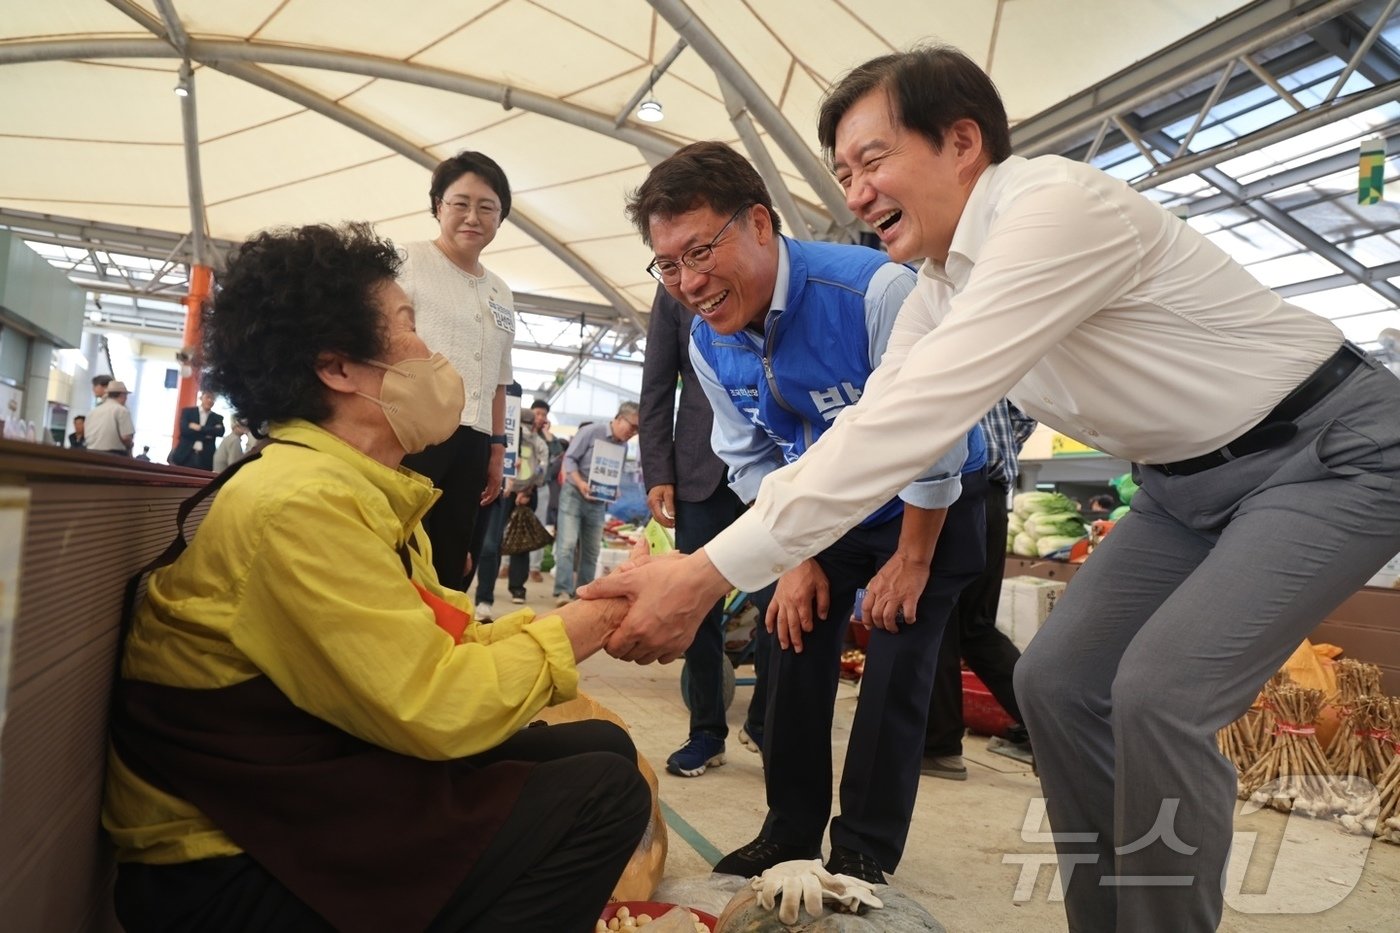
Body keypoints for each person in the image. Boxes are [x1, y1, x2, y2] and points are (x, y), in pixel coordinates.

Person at [585, 46, 1400, 932]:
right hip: (1179, 488)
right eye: (842, 172)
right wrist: (730, 562)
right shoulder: (939, 283)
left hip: (1328, 448)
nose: (855, 193)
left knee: (1160, 694)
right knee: (1056, 680)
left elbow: (916, 420)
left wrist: (704, 573)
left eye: (872, 161)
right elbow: (872, 427)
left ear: (962, 141)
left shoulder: (1052, 210)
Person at [103, 222, 649, 933]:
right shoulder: (300, 504)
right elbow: (435, 704)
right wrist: (593, 626)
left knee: (599, 746)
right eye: (408, 325)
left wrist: (580, 611)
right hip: (225, 869)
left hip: (304, 794)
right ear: (338, 368)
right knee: (604, 793)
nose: (432, 351)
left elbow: (439, 638)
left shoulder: (357, 487)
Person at [623, 141, 987, 884]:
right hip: (826, 506)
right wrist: (792, 558)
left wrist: (912, 557)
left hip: (934, 503)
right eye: (668, 265)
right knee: (788, 643)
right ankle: (788, 829)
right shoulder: (706, 343)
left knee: (895, 663)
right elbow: (750, 456)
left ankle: (863, 847)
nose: (688, 283)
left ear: (759, 222)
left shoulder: (873, 292)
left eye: (699, 251)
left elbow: (936, 432)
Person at [639, 285, 772, 777]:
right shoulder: (675, 287)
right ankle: (706, 732)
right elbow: (656, 386)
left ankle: (764, 723)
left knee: (779, 604)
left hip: (770, 468)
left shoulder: (764, 269)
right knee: (696, 607)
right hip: (699, 472)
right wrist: (659, 473)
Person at [399, 151, 515, 591]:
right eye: (460, 203)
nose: (473, 217)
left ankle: (441, 649)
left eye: (487, 207)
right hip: (414, 432)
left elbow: (500, 379)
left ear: (500, 218)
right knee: (402, 548)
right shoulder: (406, 261)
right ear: (437, 207)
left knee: (452, 555)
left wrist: (497, 450)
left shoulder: (500, 290)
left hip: (475, 439)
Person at [923, 399, 1037, 780]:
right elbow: (1027, 410)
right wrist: (995, 452)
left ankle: (939, 747)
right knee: (975, 626)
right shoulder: (994, 343)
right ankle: (1052, 729)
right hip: (991, 494)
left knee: (936, 623)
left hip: (944, 492)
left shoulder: (916, 342)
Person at [553, 403, 639, 605]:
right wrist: (581, 482)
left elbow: (614, 472)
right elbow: (570, 459)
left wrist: (614, 488)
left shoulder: (623, 446)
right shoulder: (591, 432)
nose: (633, 433)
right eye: (632, 426)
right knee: (567, 544)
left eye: (637, 430)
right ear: (618, 419)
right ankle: (563, 592)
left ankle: (583, 594)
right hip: (574, 493)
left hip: (599, 501)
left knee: (591, 550)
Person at [473, 393, 550, 619]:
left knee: (509, 542)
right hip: (502, 490)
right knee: (500, 542)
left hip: (522, 495)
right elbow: (542, 469)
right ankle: (505, 589)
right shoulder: (506, 436)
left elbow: (541, 468)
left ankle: (502, 592)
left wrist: (526, 491)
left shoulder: (538, 443)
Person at [528, 399, 565, 582]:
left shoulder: (549, 438)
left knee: (540, 525)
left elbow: (557, 454)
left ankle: (534, 567)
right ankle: (506, 565)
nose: (540, 417)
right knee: (511, 524)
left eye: (544, 414)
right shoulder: (521, 430)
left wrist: (547, 433)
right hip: (518, 486)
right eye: (537, 413)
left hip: (541, 487)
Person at [169, 390, 226, 470]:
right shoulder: (188, 412)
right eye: (208, 397)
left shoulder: (217, 418)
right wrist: (209, 433)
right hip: (185, 455)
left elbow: (220, 432)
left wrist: (199, 428)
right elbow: (184, 430)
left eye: (213, 398)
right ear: (201, 397)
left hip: (205, 458)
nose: (210, 400)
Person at [85, 380, 135, 455]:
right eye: (126, 396)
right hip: (113, 456)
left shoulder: (93, 411)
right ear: (122, 395)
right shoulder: (122, 410)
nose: (126, 399)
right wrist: (130, 445)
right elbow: (126, 438)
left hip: (90, 453)